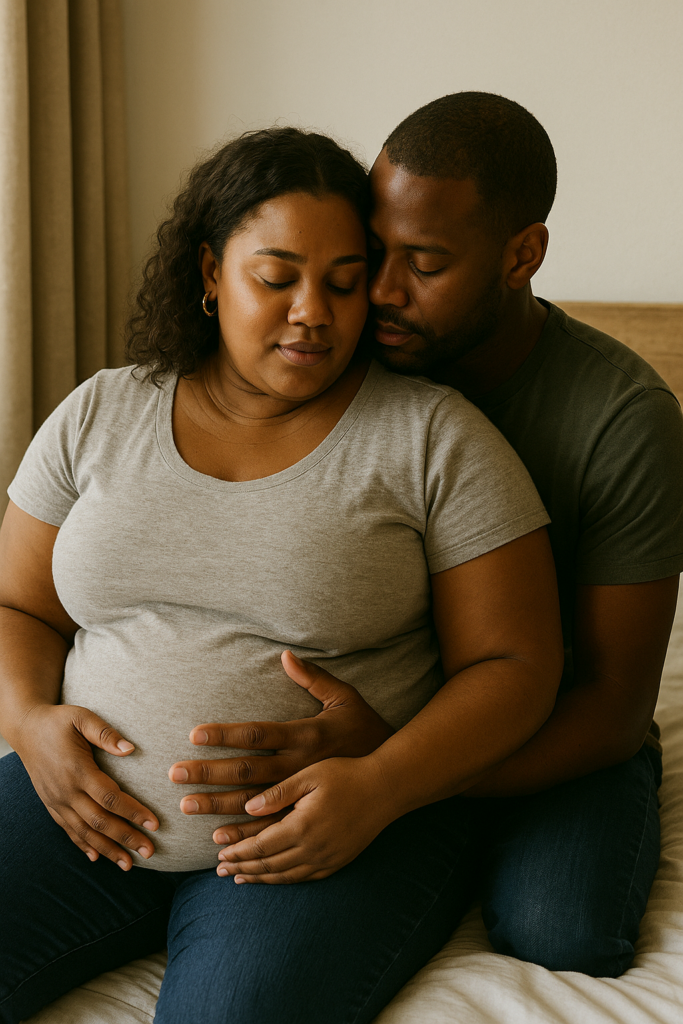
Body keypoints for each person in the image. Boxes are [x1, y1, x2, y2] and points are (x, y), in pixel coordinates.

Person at [0, 127, 562, 1023]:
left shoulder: (432, 438)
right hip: (77, 814)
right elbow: (15, 605)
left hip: (324, 835)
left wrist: (380, 785)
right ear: (210, 271)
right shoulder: (102, 410)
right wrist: (28, 723)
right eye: (277, 277)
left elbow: (517, 668)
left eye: (344, 282)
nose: (313, 311)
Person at [178, 94, 683, 979]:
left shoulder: (623, 419)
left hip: (552, 736)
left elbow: (612, 703)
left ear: (521, 255)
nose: (376, 292)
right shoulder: (344, 354)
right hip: (367, 723)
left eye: (424, 263)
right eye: (375, 255)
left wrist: (398, 774)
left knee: (559, 931)